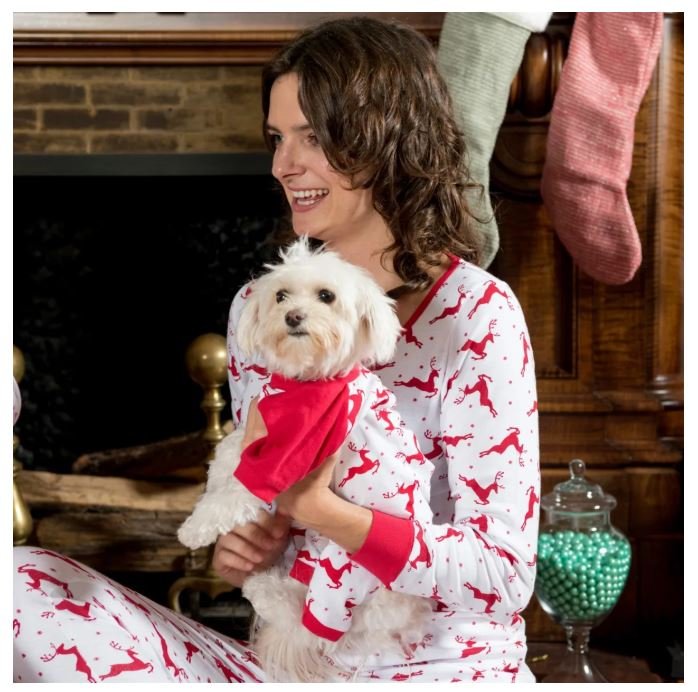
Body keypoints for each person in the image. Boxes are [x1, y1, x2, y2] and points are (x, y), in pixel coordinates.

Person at [13, 16, 539, 683]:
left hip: (441, 672)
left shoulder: (477, 315)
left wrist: (324, 513)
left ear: (388, 139)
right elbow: (266, 500)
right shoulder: (259, 310)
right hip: (293, 666)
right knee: (21, 585)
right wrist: (252, 544)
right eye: (277, 138)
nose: (283, 165)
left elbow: (504, 574)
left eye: (312, 137)